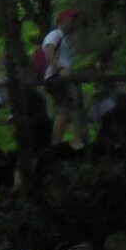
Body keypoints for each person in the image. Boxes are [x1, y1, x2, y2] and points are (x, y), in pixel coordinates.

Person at [41, 8, 85, 147]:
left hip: (65, 77)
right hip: (56, 77)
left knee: (75, 107)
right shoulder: (55, 34)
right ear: (63, 20)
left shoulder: (67, 39)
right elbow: (48, 51)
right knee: (65, 109)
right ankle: (57, 143)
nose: (74, 23)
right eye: (71, 19)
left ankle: (77, 140)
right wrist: (60, 68)